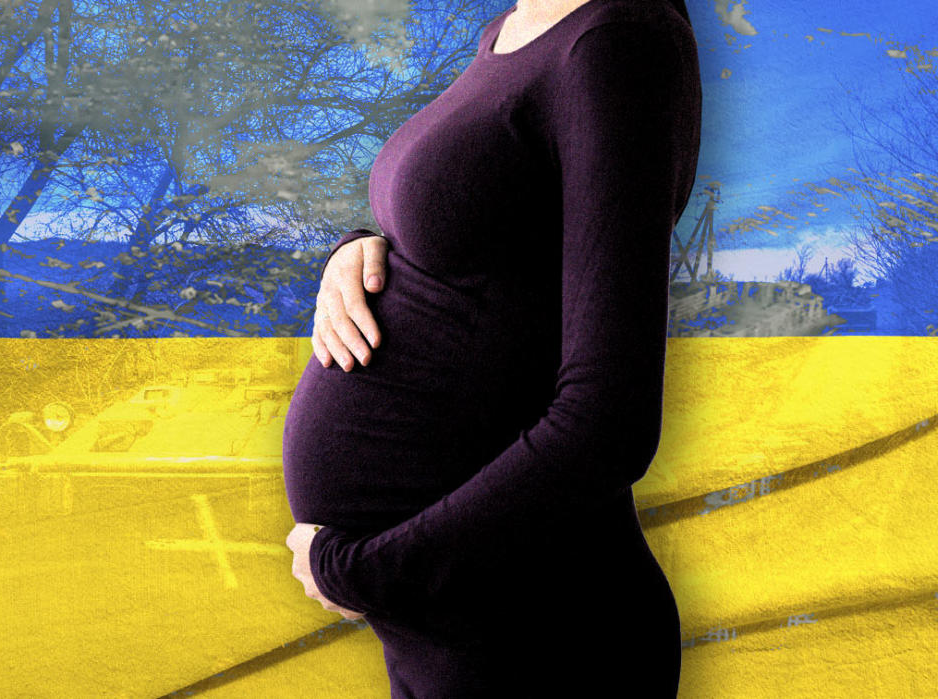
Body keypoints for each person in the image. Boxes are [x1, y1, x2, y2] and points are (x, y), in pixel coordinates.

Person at [282, 0, 701, 695]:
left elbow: (610, 424)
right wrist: (358, 250)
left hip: (539, 639)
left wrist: (362, 571)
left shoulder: (615, 42)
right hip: (453, 633)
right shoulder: (517, 30)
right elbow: (493, 246)